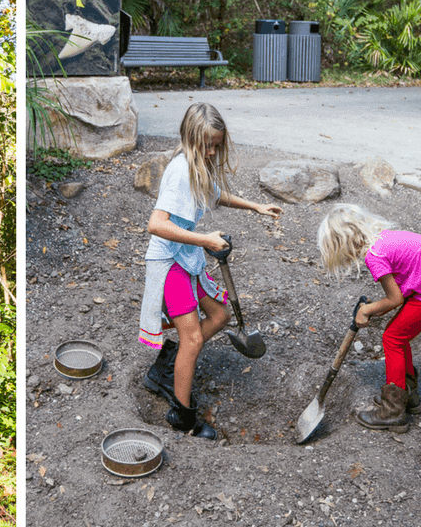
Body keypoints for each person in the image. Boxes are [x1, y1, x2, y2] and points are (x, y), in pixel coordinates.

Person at [140, 102, 283, 440]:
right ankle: (182, 414)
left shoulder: (198, 168)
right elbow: (156, 224)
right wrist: (204, 238)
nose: (211, 151)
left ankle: (170, 368)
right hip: (170, 260)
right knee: (191, 337)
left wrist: (256, 206)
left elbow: (216, 196)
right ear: (190, 139)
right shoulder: (178, 171)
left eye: (216, 145)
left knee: (219, 316)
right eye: (206, 144)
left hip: (187, 256)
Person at [317, 203, 421, 432]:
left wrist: (366, 310)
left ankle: (393, 411)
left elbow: (394, 300)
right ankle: (408, 395)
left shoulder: (374, 256)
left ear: (341, 244)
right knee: (398, 334)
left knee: (392, 338)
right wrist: (373, 309)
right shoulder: (384, 239)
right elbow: (402, 292)